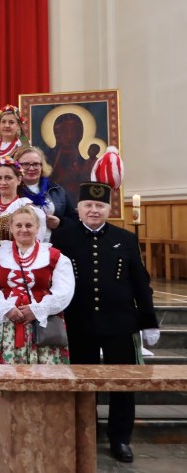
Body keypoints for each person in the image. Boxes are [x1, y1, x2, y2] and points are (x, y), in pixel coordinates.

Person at [52, 182, 160, 464]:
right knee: (81, 383)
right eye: (88, 205)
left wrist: (149, 321)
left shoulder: (125, 239)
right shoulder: (62, 238)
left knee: (123, 384)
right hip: (79, 325)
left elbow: (141, 283)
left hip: (120, 325)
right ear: (79, 208)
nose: (93, 210)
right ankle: (83, 432)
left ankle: (120, 438)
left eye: (100, 206)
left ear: (109, 209)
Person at [0, 205, 74, 366]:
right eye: (18, 225)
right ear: (11, 228)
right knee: (9, 374)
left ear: (38, 228)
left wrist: (38, 309)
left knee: (45, 377)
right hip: (8, 323)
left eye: (29, 225)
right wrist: (6, 307)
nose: (23, 230)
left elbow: (64, 291)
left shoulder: (55, 256)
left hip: (43, 323)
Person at [0, 158, 47, 255]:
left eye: (8, 178)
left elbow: (35, 246)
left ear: (19, 180)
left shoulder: (29, 210)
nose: (3, 183)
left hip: (15, 265)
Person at [17, 146, 78, 242]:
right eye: (26, 164)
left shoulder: (56, 190)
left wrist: (60, 223)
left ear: (42, 166)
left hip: (53, 247)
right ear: (17, 167)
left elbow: (74, 220)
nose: (31, 168)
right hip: (20, 247)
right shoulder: (11, 190)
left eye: (36, 164)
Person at [0, 104, 29, 179]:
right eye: (3, 122)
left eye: (11, 122)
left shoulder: (23, 148)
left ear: (18, 125)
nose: (7, 125)